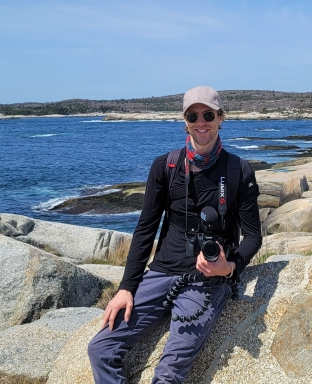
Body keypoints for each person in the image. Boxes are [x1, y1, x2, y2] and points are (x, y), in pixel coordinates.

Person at [87, 86, 262, 383]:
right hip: (162, 272)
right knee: (101, 348)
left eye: (208, 114)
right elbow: (145, 228)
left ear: (220, 118)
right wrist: (127, 287)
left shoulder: (237, 170)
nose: (201, 122)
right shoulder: (165, 166)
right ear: (185, 120)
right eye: (193, 115)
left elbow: (253, 236)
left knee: (168, 373)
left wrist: (230, 267)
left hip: (208, 280)